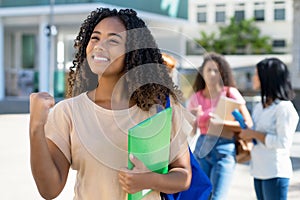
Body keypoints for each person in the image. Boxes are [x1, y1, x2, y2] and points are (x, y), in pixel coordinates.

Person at [29, 8, 195, 200]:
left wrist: (149, 180)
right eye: (95, 38)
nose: (99, 46)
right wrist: (36, 127)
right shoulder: (68, 112)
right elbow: (49, 190)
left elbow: (183, 176)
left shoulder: (160, 109)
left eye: (113, 40)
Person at [187, 52, 253, 200]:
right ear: (202, 72)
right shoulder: (195, 98)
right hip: (201, 149)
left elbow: (247, 124)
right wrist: (193, 119)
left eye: (215, 70)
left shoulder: (230, 93)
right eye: (208, 70)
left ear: (222, 73)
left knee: (217, 197)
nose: (211, 74)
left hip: (224, 149)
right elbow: (192, 133)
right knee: (202, 196)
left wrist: (220, 122)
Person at [239, 58, 299, 200]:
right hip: (258, 171)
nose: (253, 78)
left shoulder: (284, 108)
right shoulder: (260, 106)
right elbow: (257, 134)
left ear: (267, 78)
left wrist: (254, 133)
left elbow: (282, 142)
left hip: (275, 172)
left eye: (256, 74)